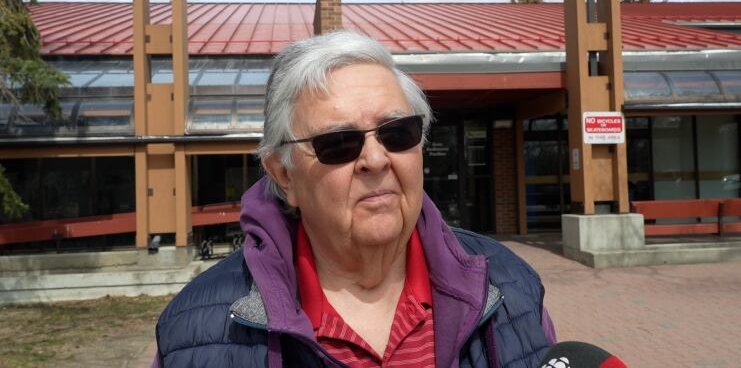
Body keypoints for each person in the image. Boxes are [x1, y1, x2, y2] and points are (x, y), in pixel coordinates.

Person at [154, 31, 556, 368]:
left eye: (397, 133)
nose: (376, 160)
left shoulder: (509, 284)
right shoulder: (196, 332)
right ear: (283, 174)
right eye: (338, 143)